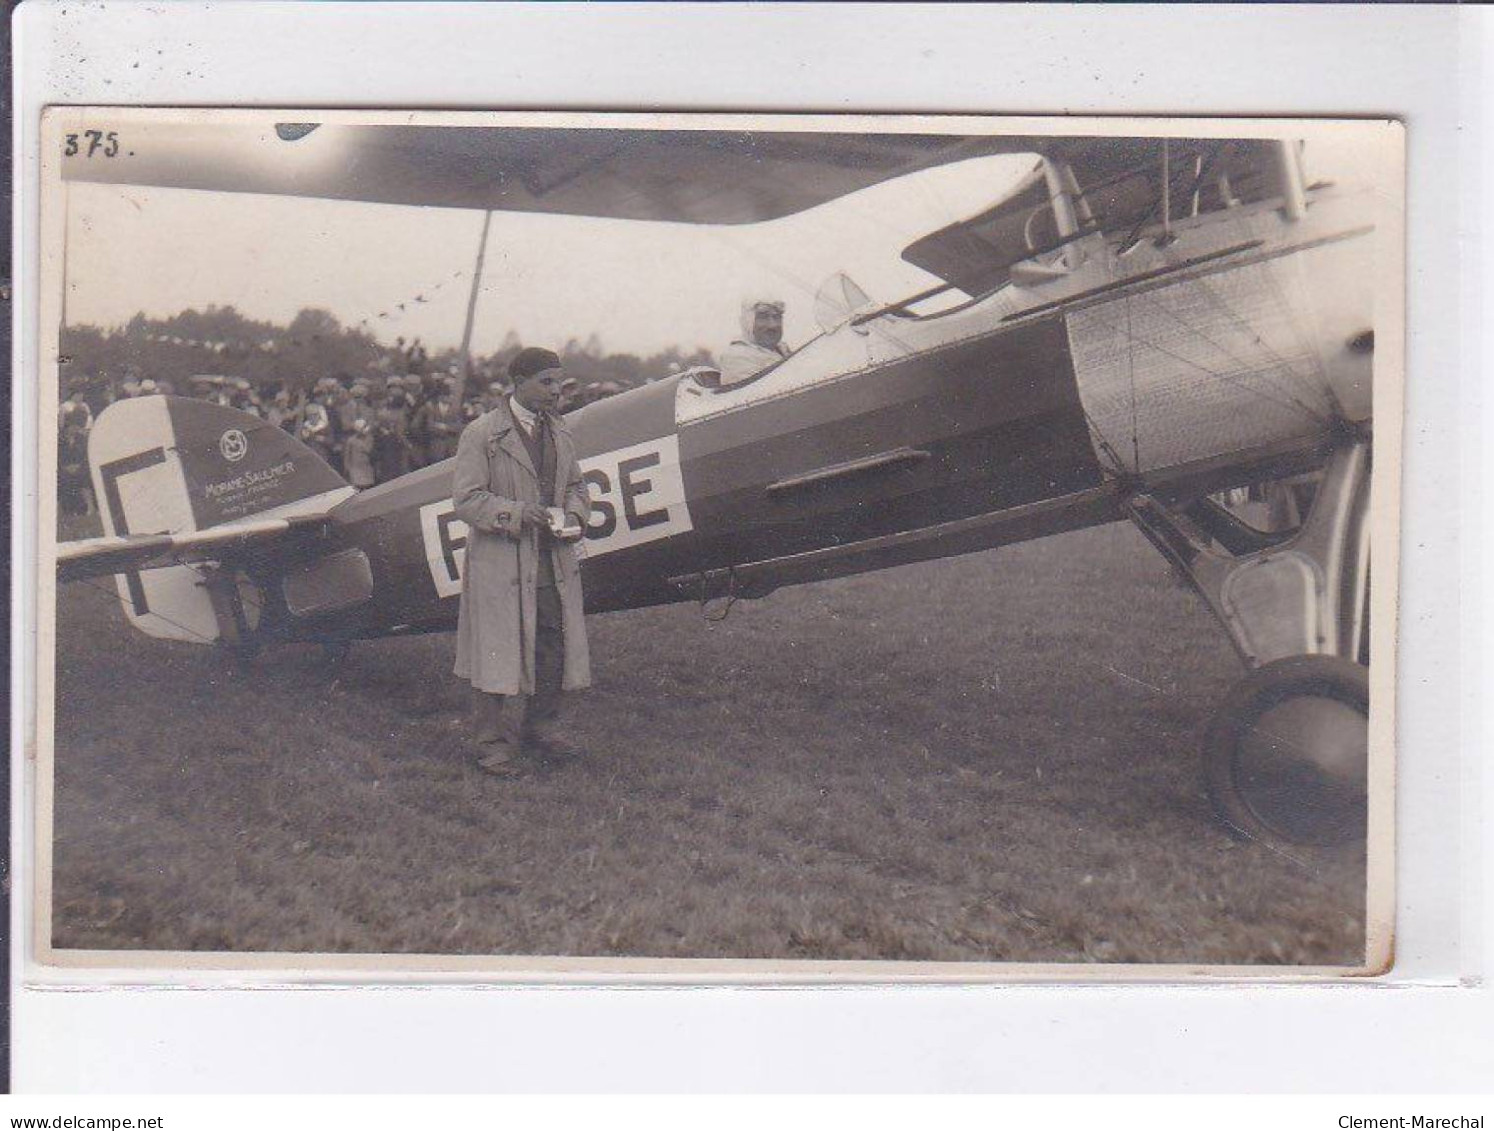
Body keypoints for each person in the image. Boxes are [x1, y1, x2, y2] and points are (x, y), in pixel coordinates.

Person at [452, 346, 591, 777]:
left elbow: (576, 486)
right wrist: (515, 513)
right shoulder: (482, 434)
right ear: (519, 383)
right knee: (496, 648)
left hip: (550, 560)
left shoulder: (560, 431)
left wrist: (574, 515)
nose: (556, 391)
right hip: (501, 561)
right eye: (546, 382)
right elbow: (467, 500)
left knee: (551, 643)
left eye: (559, 383)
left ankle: (542, 727)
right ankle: (492, 743)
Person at [715, 298, 788, 387]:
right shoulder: (737, 356)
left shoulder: (783, 350)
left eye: (777, 317)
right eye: (763, 317)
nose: (773, 325)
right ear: (748, 321)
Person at [342, 419, 376, 489]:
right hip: (355, 469)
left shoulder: (370, 438)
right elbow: (347, 455)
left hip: (366, 468)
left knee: (368, 487)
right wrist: (347, 468)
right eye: (363, 427)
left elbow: (369, 450)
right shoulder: (351, 440)